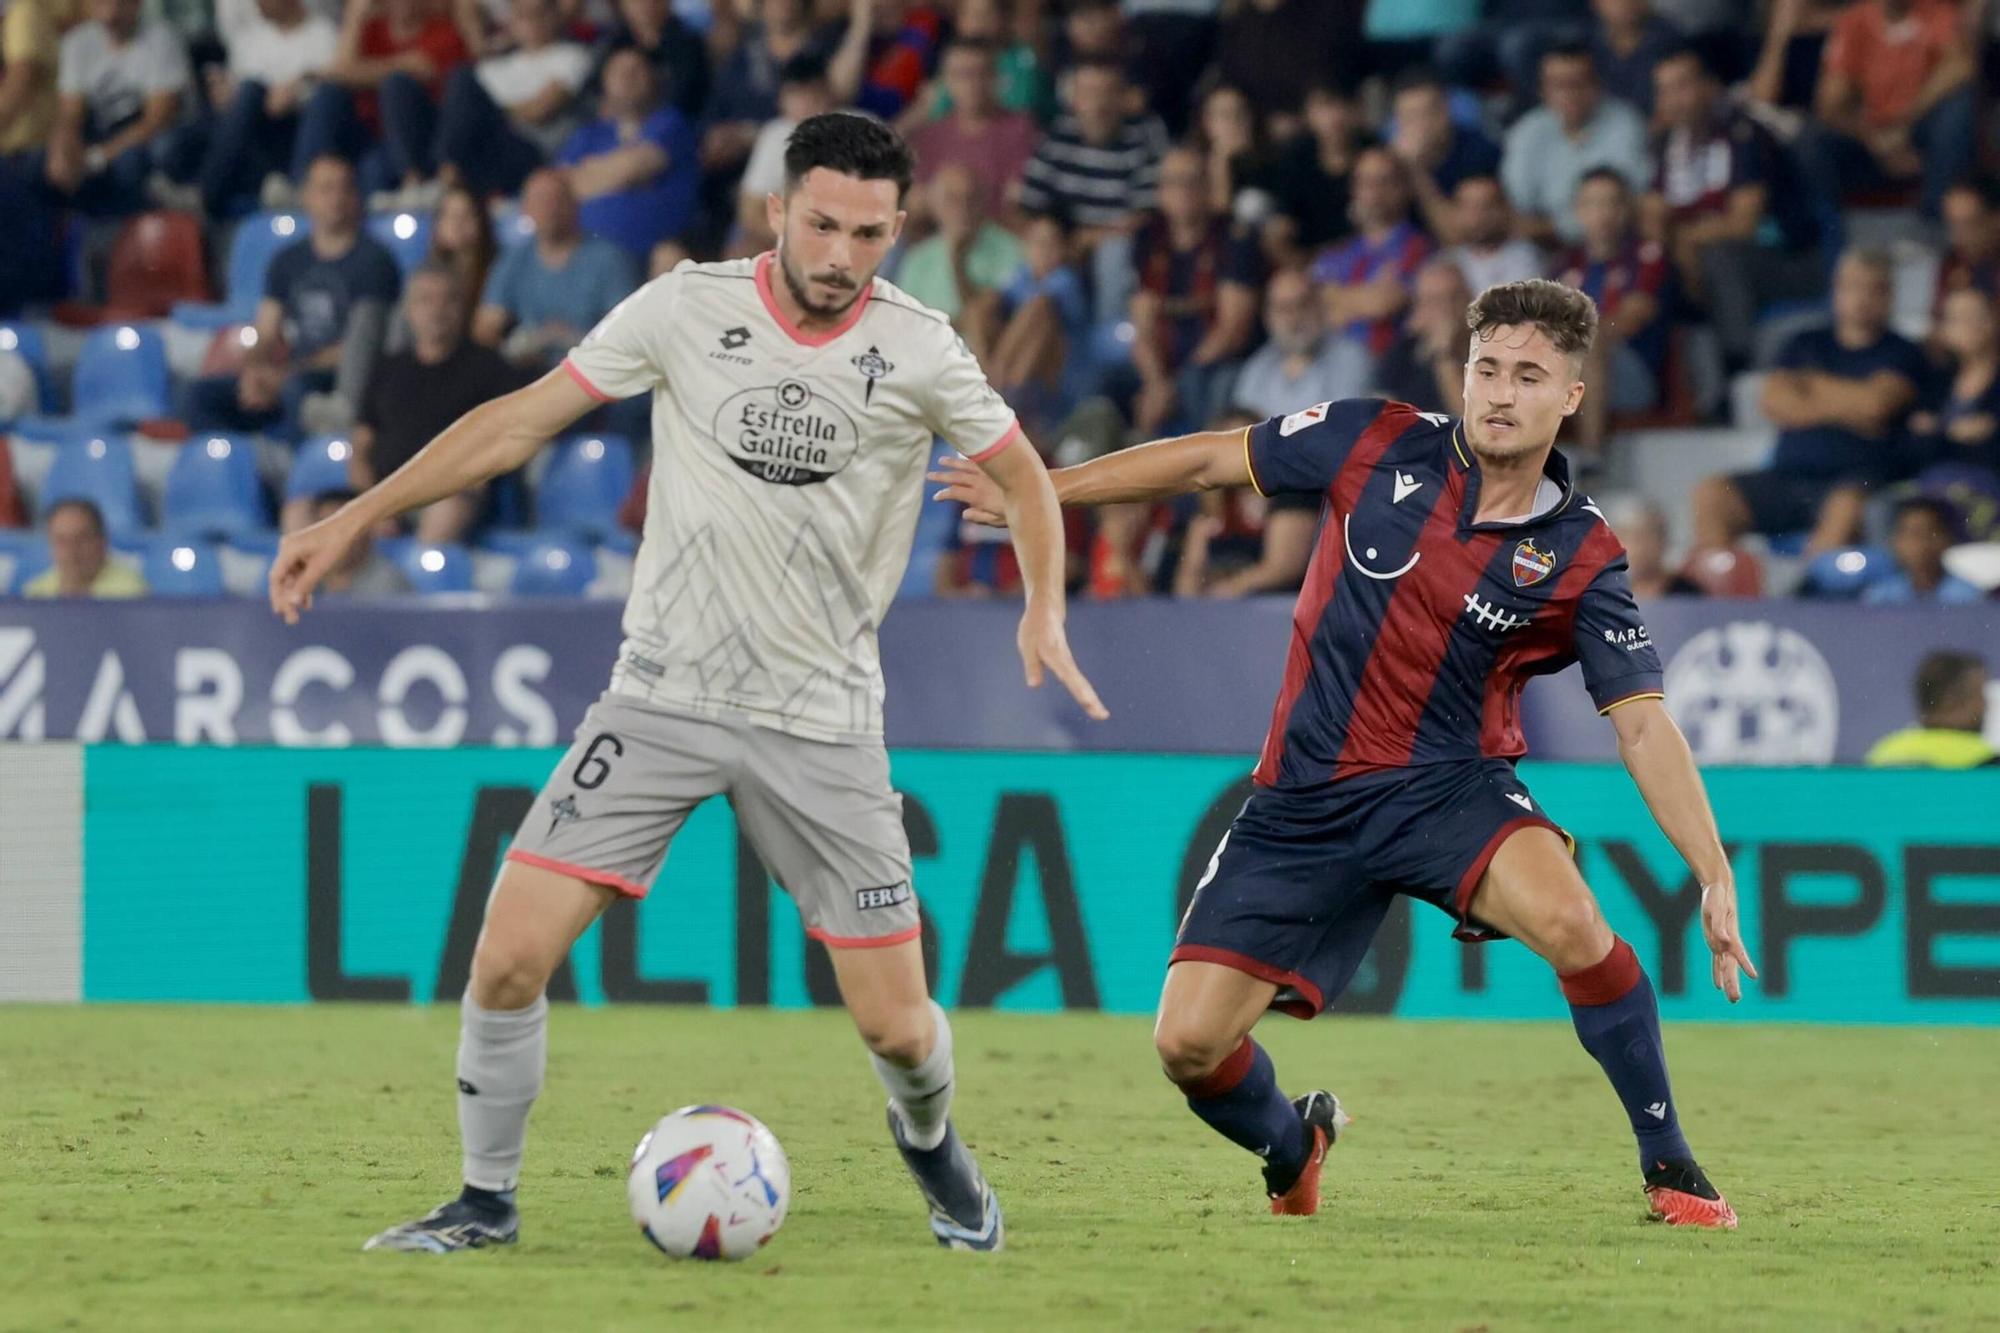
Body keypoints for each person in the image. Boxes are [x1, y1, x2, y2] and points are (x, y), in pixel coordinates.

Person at [271, 111, 1104, 1255]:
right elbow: (518, 422)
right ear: (776, 210)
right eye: (819, 222)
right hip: (660, 692)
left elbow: (1026, 480)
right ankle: (484, 1200)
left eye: (866, 232)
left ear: (896, 231)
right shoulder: (683, 306)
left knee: (902, 1031)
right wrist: (356, 515)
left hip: (821, 722)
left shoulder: (919, 347)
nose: (838, 253)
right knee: (507, 954)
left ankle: (933, 1150)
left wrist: (1042, 601)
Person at [931, 277, 1755, 1229]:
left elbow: (1643, 721)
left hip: (1449, 792)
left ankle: (1673, 1169)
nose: (1499, 391)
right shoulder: (1375, 439)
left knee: (1576, 922)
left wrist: (1710, 867)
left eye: (1528, 376)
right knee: (1188, 1046)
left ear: (1570, 395)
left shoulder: (1581, 553)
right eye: (1487, 367)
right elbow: (1208, 460)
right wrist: (1043, 488)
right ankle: (1294, 1142)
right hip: (1300, 804)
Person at [1693, 248, 1926, 558]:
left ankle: (1806, 595)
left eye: (1873, 288)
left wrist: (1810, 388)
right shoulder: (1804, 343)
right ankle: (1723, 591)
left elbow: (1875, 406)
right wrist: (1853, 404)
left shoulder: (1903, 352)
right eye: (1852, 286)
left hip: (1856, 481)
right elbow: (1773, 402)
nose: (1862, 298)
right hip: (1788, 477)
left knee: (1845, 505)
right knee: (1712, 494)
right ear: (1836, 290)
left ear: (1888, 295)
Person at [187, 153, 403, 437]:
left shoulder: (375, 261)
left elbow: (362, 346)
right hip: (293, 371)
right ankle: (236, 466)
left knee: (297, 392)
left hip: (342, 378)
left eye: (345, 188)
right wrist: (254, 371)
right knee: (200, 395)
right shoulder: (288, 259)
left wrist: (285, 375)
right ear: (307, 197)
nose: (336, 198)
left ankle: (292, 469)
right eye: (326, 189)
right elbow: (266, 329)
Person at [1642, 44, 1814, 369]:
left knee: (1719, 254)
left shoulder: (1743, 134)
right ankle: (1662, 379)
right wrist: (1671, 243)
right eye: (1664, 90)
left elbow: (1743, 224)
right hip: (1704, 265)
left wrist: (1685, 240)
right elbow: (1652, 213)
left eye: (1682, 86)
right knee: (1647, 255)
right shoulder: (1668, 143)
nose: (1673, 100)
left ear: (1711, 86)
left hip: (1785, 258)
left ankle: (1738, 364)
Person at [343, 263, 527, 542]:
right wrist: (374, 507)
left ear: (463, 308)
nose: (437, 310)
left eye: (449, 300)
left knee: (446, 511)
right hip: (384, 495)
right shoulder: (387, 368)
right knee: (306, 511)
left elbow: (503, 443)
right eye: (426, 300)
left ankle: (422, 583)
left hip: (452, 494)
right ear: (408, 310)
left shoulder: (489, 368)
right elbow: (360, 448)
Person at [1795, 0, 1974, 236]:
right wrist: (1875, 139)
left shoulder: (1937, 12)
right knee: (1810, 138)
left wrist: (1906, 123)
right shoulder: (1854, 20)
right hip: (1872, 138)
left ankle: (1935, 225)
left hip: (1921, 134)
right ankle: (1826, 235)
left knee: (1959, 109)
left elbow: (1962, 65)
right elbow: (1829, 104)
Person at [166, 0, 337, 216]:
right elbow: (239, 97)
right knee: (236, 102)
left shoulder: (324, 34)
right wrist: (225, 93)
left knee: (252, 92)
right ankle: (259, 183)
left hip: (296, 131)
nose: (258, 4)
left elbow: (331, 95)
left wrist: (295, 93)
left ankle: (206, 192)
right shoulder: (250, 39)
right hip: (252, 134)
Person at [300, 0, 471, 206]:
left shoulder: (444, 32)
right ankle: (304, 184)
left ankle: (413, 183)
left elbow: (421, 68)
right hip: (371, 132)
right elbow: (339, 73)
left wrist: (363, 72)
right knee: (329, 94)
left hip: (421, 141)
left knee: (396, 86)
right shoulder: (373, 30)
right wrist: (355, 17)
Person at [474, 167, 638, 372]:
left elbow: (628, 333)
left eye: (555, 200)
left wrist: (567, 338)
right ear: (526, 208)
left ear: (573, 205)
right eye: (538, 201)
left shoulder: (608, 258)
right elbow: (486, 326)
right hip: (531, 373)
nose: (548, 209)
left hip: (595, 372)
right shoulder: (515, 259)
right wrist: (514, 347)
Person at [43, 0, 191, 216]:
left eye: (119, 4)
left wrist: (99, 157)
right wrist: (62, 149)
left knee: (135, 160)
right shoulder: (77, 42)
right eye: (102, 4)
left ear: (137, 5)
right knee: (40, 165)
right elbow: (70, 114)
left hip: (149, 137)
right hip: (102, 134)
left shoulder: (161, 39)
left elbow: (157, 120)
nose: (110, 14)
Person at [1554, 168, 1667, 449]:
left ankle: (1592, 458)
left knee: (1588, 342)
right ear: (1578, 211)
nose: (1603, 213)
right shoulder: (1565, 264)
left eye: (1612, 202)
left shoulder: (1647, 257)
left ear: (1627, 209)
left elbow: (1631, 319)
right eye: (1592, 204)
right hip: (1566, 371)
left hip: (1634, 378)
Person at [433, 0, 590, 199]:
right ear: (512, 23)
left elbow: (539, 110)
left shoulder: (572, 56)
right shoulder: (494, 65)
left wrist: (489, 110)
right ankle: (441, 174)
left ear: (555, 16)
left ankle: (446, 176)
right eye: (523, 16)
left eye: (539, 13)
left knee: (463, 79)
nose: (533, 22)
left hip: (532, 148)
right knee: (454, 82)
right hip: (486, 147)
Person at [555, 45, 698, 264]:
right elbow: (561, 187)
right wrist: (617, 171)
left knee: (670, 257)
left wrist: (589, 172)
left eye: (636, 71)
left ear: (653, 78)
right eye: (618, 72)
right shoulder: (589, 134)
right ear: (604, 81)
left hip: (649, 251)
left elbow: (632, 168)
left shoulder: (670, 124)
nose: (627, 78)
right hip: (586, 253)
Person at [1501, 43, 1649, 247]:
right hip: (1544, 249)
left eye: (1578, 84)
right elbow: (1516, 207)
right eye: (1558, 85)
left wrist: (1550, 227)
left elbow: (1628, 203)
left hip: (1615, 243)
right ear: (1543, 90)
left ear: (1597, 85)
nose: (1569, 94)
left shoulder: (1625, 124)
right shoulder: (1527, 131)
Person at [1015, 57, 1169, 252]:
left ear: (1123, 98)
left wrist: (1089, 239)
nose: (1098, 103)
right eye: (1089, 93)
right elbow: (1028, 206)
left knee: (1116, 251)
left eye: (1107, 93)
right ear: (1074, 99)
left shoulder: (1141, 141)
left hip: (1115, 246)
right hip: (1058, 248)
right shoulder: (1056, 137)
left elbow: (1144, 217)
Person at [1311, 147, 1433, 383]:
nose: (1373, 192)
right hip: (1328, 365)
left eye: (1384, 181)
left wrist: (1337, 299)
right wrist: (1362, 298)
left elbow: (1384, 303)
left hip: (1386, 369)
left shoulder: (1416, 247)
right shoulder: (1338, 251)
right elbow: (1313, 304)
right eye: (1365, 182)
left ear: (1404, 188)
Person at [890, 161, 1021, 358]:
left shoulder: (1010, 249)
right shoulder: (918, 258)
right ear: (935, 205)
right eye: (952, 199)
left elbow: (990, 318)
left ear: (983, 201)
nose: (962, 207)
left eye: (971, 198)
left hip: (987, 363)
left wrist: (957, 263)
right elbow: (905, 324)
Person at [906, 37, 1037, 222]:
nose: (971, 83)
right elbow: (917, 203)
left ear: (994, 78)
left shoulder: (1019, 129)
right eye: (961, 74)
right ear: (948, 81)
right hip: (940, 237)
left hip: (996, 235)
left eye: (979, 73)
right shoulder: (932, 135)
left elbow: (1015, 202)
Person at [1232, 267, 1367, 420]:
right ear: (1268, 316)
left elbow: (1343, 428)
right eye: (1283, 309)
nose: (1294, 318)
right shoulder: (1257, 367)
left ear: (1319, 306)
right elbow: (1241, 429)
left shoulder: (1350, 358)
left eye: (1302, 304)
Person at [735, 54, 835, 255]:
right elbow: (749, 210)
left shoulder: (861, 128)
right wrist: (795, 240)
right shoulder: (774, 136)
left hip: (841, 237)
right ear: (782, 99)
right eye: (797, 95)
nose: (807, 103)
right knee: (743, 249)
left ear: (828, 93)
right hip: (784, 236)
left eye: (813, 93)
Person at [1386, 66, 1501, 241]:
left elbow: (1459, 237)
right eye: (1410, 117)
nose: (1421, 125)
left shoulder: (1479, 152)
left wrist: (1416, 172)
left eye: (1428, 113)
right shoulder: (1389, 158)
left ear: (1446, 111)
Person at [1265, 77, 1364, 260]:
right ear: (1308, 114)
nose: (1335, 116)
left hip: (1372, 263)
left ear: (1357, 109)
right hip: (1313, 265)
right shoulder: (1295, 160)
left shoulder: (1374, 154)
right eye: (1325, 106)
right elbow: (1278, 235)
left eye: (1342, 104)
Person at [1371, 256, 1472, 415]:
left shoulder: (1487, 350)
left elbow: (1468, 419)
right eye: (1434, 301)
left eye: (1453, 297)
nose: (1445, 309)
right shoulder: (1403, 353)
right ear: (1418, 308)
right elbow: (1382, 418)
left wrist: (1444, 356)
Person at [1865, 651, 1997, 768]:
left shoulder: (1882, 754)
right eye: (1979, 695)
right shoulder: (1988, 762)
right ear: (1949, 700)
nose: (1985, 705)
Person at [587, 0, 708, 122]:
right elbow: (593, 91)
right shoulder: (616, 43)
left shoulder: (687, 44)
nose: (647, 5)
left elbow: (684, 98)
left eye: (655, 1)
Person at [1862, 497, 1983, 605]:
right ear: (1895, 541)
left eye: (1931, 533)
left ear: (1948, 540)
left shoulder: (1968, 597)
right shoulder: (1880, 597)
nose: (1922, 544)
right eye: (1913, 534)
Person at [292, 488, 412, 596]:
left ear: (366, 530)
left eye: (343, 529)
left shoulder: (387, 584)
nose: (334, 539)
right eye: (325, 528)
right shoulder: (300, 581)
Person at [23, 498, 148, 598]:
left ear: (101, 541)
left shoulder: (129, 593)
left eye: (81, 539)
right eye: (61, 541)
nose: (71, 551)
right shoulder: (37, 592)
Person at [1441, 173, 1543, 294]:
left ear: (1503, 210)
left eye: (1485, 206)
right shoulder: (1446, 261)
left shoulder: (1525, 259)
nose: (1476, 216)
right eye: (1468, 207)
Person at [1601, 493, 1703, 597]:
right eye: (1627, 536)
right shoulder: (1610, 593)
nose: (1637, 548)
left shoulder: (1688, 594)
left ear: (1663, 540)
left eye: (1645, 536)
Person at [425, 180, 497, 321]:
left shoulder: (498, 273)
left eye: (466, 215)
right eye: (451, 216)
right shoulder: (426, 276)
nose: (458, 224)